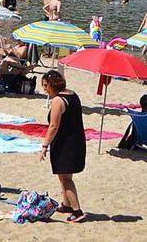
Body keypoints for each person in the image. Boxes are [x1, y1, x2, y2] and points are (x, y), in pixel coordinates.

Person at [40, 70, 87, 223]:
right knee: (65, 176)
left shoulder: (58, 101)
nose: (44, 88)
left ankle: (77, 210)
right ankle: (67, 204)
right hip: (76, 141)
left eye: (46, 85)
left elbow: (53, 126)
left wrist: (45, 146)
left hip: (65, 144)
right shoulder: (72, 94)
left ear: (53, 85)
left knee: (66, 179)